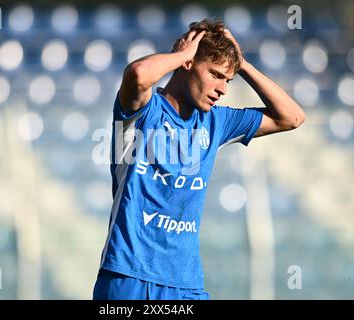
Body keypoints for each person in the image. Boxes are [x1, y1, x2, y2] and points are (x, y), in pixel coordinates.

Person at [93, 18, 305, 300]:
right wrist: (181, 54)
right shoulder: (142, 111)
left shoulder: (217, 121)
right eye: (216, 74)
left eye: (228, 80)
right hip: (129, 276)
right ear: (189, 64)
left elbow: (291, 117)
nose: (223, 89)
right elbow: (137, 74)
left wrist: (242, 64)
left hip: (187, 283)